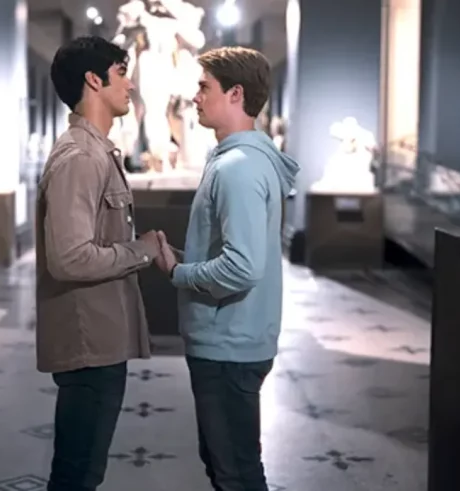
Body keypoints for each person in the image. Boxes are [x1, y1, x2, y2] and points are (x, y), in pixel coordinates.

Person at [155, 46, 300, 490]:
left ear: (235, 94)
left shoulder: (237, 167)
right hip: (233, 340)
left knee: (234, 472)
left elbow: (241, 267)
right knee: (228, 466)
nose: (195, 97)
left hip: (229, 346)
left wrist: (177, 273)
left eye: (204, 87)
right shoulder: (239, 161)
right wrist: (186, 258)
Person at [35, 36, 162, 491]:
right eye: (121, 72)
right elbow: (69, 258)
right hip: (87, 341)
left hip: (100, 335)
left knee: (83, 470)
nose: (129, 83)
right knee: (77, 474)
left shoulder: (96, 151)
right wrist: (140, 251)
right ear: (94, 79)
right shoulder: (81, 158)